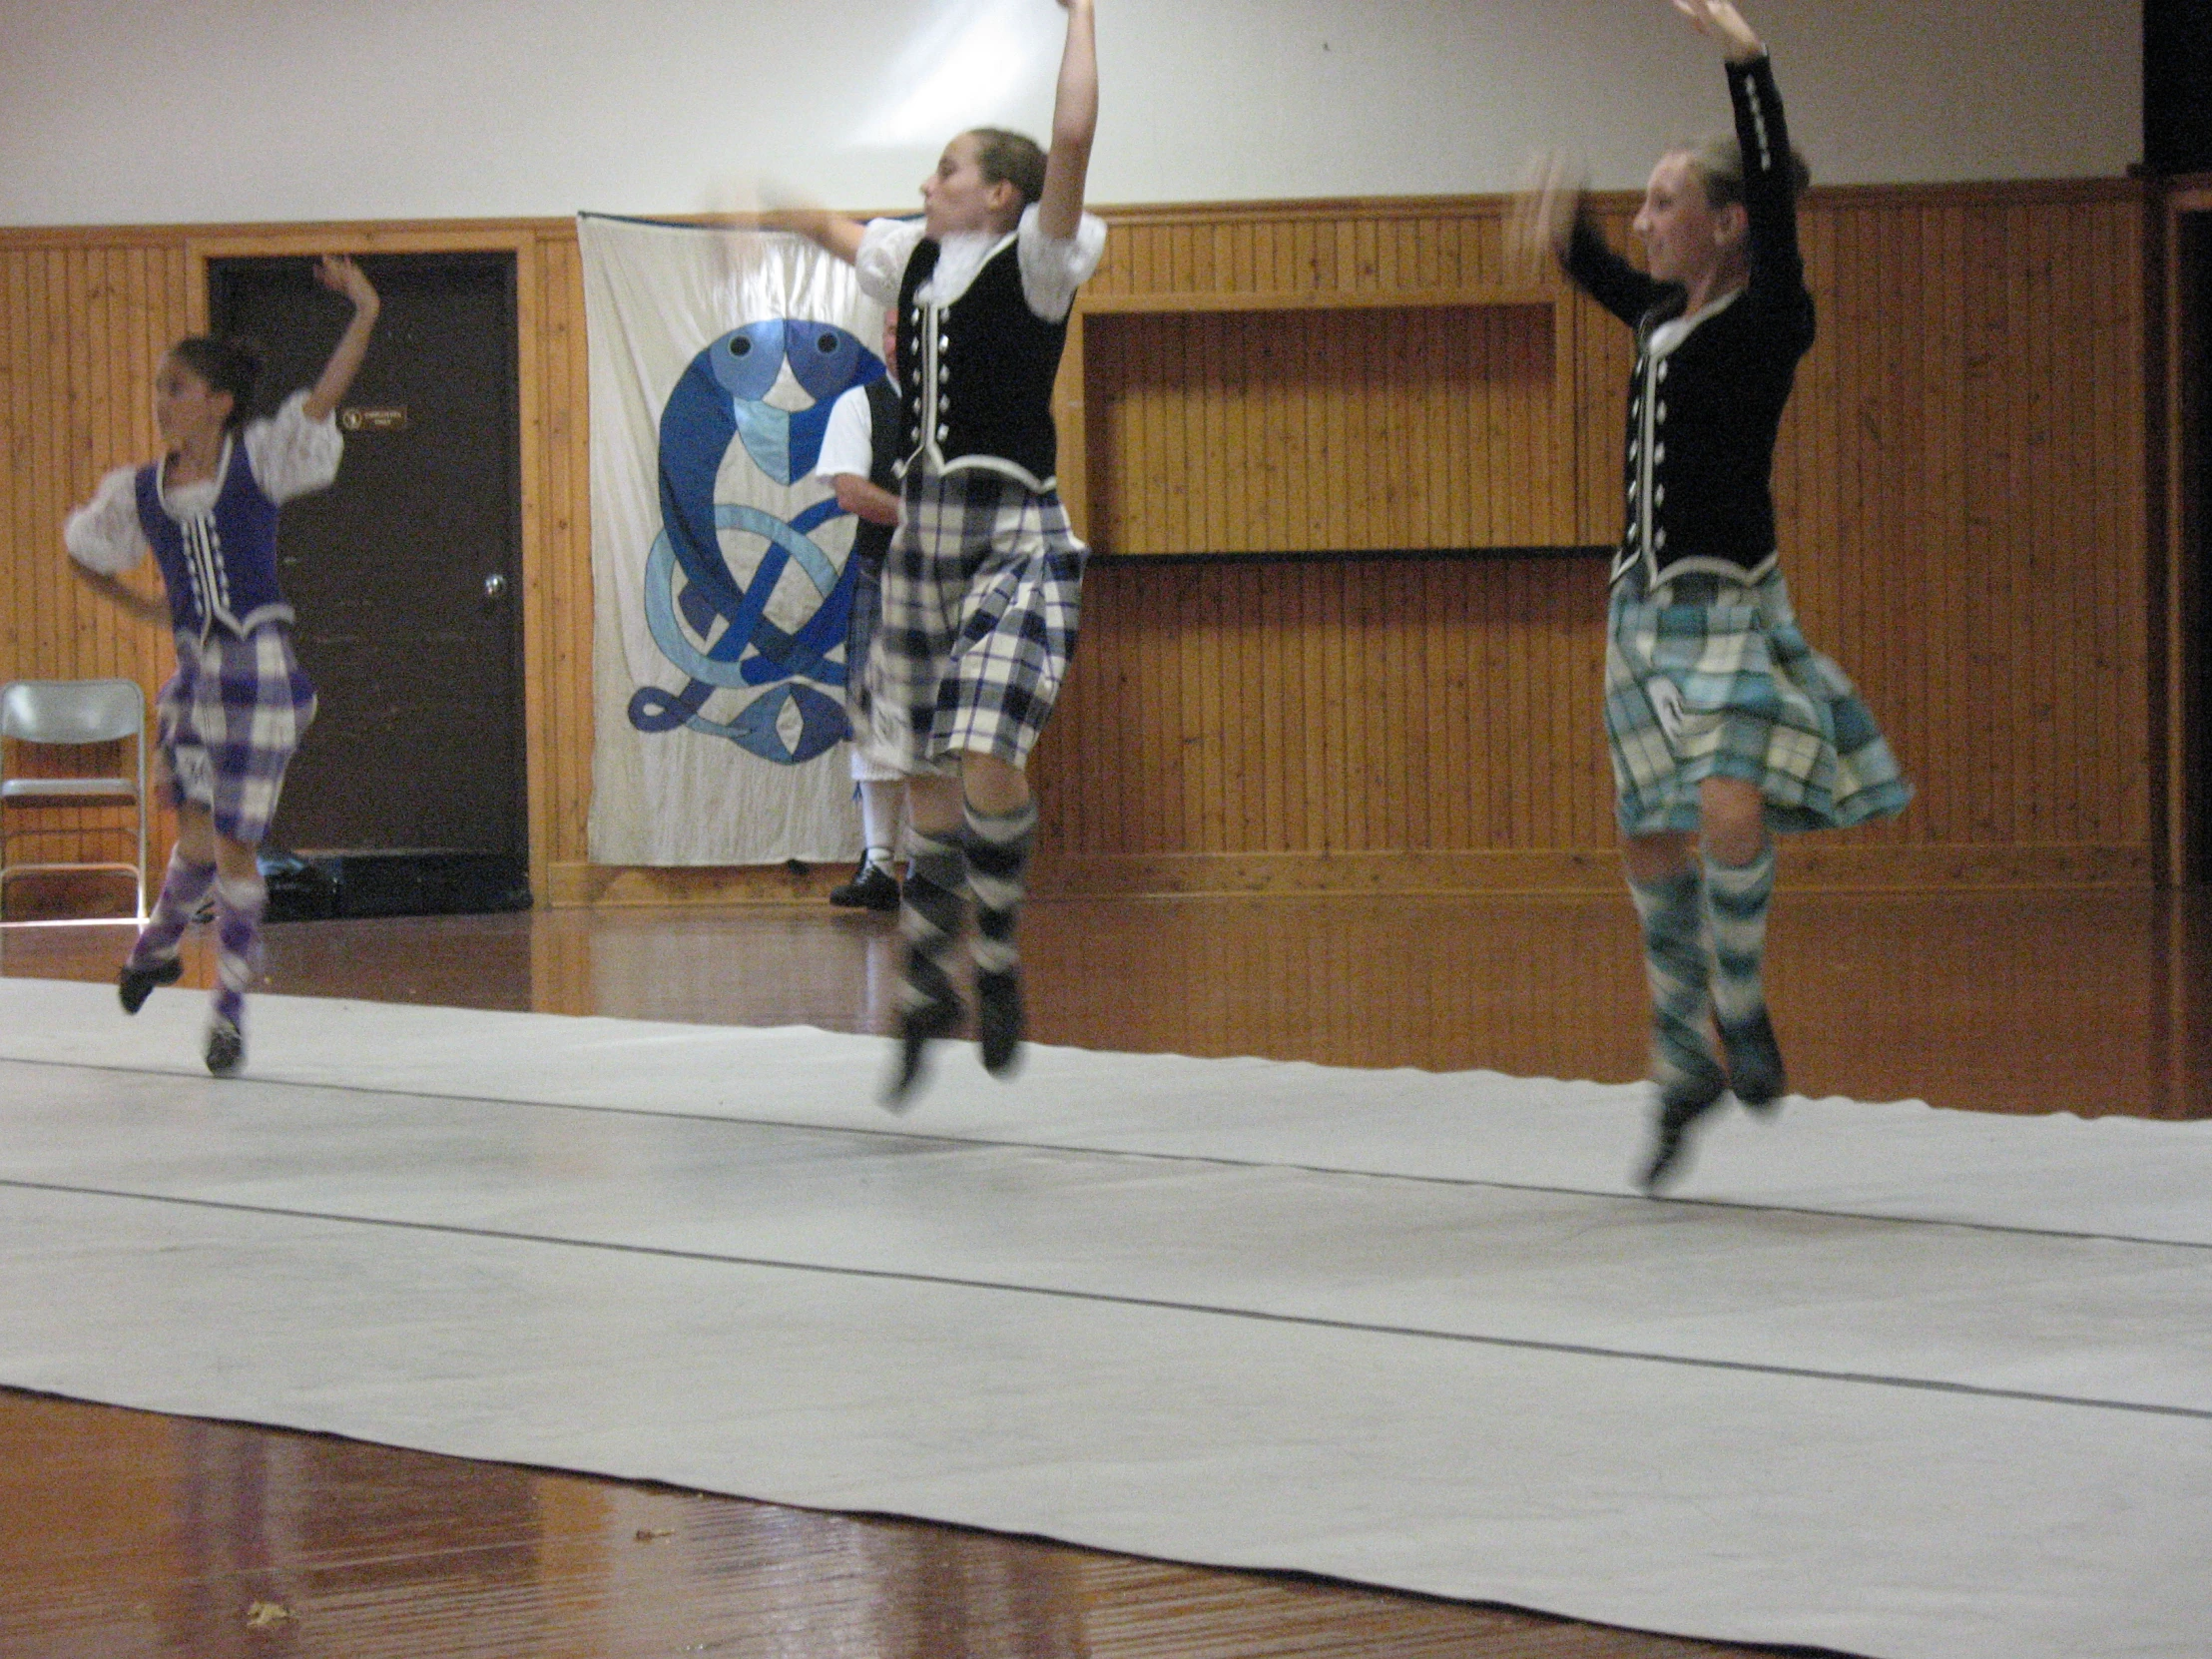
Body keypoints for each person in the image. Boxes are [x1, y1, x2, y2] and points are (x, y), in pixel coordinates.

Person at [1513, 0, 1911, 1191]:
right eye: (1639, 206)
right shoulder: (1654, 317)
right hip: (1638, 619)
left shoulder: (1767, 316)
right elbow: (1589, 263)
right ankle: (1678, 1051)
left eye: (1661, 203)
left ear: (1728, 225)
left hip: (1724, 608)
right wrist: (1558, 217)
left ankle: (1739, 1009)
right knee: (1649, 829)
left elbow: (1779, 218)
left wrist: (1747, 62)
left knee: (1727, 803)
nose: (1642, 223)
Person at [775, 0, 1103, 1105]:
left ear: (997, 196)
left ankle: (995, 955)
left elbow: (1070, 140)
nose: (925, 184)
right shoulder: (911, 261)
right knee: (915, 763)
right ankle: (927, 983)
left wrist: (1081, 18)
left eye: (944, 169)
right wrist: (767, 207)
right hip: (923, 541)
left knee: (984, 750)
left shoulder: (1040, 259)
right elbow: (835, 232)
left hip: (1012, 530)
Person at [64, 256, 381, 1076]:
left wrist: (365, 309)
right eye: (160, 387)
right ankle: (157, 949)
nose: (162, 401)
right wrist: (141, 606)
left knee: (233, 850)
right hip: (197, 679)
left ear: (219, 401)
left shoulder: (259, 460)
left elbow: (322, 400)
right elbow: (84, 552)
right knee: (197, 842)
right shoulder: (140, 491)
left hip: (261, 676)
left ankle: (228, 1010)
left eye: (176, 388)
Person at [815, 311, 909, 913]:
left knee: (947, 722)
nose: (897, 342)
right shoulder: (861, 405)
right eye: (891, 330)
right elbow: (851, 492)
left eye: (909, 329)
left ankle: (932, 866)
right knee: (875, 717)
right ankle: (879, 864)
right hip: (884, 571)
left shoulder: (964, 409)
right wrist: (926, 517)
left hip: (960, 576)